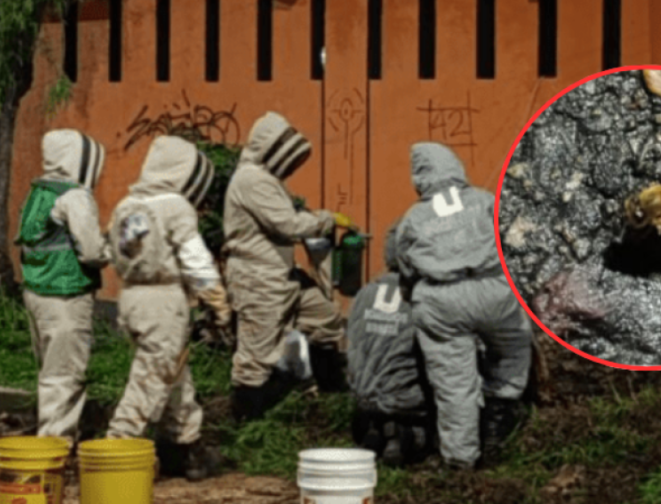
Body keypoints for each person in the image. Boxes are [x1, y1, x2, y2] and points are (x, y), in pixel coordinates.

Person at [394, 142, 532, 470]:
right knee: (514, 346)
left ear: (420, 178)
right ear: (455, 167)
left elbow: (404, 265)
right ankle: (500, 414)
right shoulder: (485, 200)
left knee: (453, 381)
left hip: (442, 299)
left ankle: (459, 460)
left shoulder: (413, 218)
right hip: (493, 288)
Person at [105, 135, 231, 481]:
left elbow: (112, 252)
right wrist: (216, 299)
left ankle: (186, 448)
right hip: (163, 301)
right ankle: (115, 454)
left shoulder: (126, 206)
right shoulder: (174, 207)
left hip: (130, 297)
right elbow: (194, 258)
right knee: (150, 380)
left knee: (174, 374)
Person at [222, 111, 352, 422]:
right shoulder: (251, 180)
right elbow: (288, 224)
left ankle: (330, 392)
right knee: (256, 356)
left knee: (325, 317)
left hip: (280, 274)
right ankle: (246, 423)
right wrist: (326, 219)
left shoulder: (263, 179)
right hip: (257, 278)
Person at [14, 129, 109, 447]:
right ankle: (55, 446)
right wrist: (118, 246)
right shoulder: (75, 197)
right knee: (65, 375)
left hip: (36, 293)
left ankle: (52, 437)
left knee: (50, 372)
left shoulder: (38, 192)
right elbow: (93, 251)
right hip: (66, 294)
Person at [347, 224, 435, 467]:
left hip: (362, 394)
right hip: (405, 398)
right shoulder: (423, 296)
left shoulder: (365, 293)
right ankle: (406, 435)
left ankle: (378, 428)